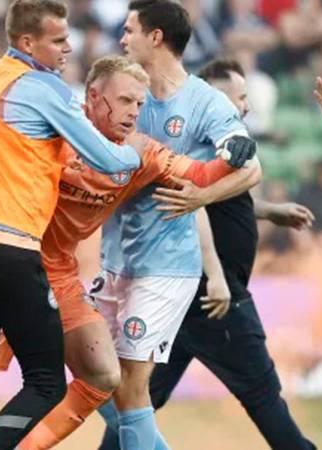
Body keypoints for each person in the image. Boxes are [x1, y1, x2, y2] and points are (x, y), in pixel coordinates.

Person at [0, 55, 257, 450]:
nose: (134, 111)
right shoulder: (53, 121)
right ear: (93, 97)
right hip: (8, 261)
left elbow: (200, 174)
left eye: (140, 103)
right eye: (125, 100)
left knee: (104, 373)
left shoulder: (143, 152)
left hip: (56, 273)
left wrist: (230, 155)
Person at [0, 1, 149, 448]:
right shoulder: (48, 89)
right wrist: (138, 153)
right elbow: (109, 159)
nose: (69, 47)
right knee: (44, 384)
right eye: (59, 40)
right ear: (28, 42)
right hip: (11, 246)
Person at [97, 58, 317, 450]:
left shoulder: (214, 145)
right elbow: (194, 204)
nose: (245, 106)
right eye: (239, 97)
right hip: (215, 299)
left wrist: (266, 210)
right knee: (264, 396)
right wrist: (215, 276)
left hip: (182, 294)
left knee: (134, 399)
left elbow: (219, 198)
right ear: (215, 100)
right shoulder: (199, 141)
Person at [92, 2, 262, 449]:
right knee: (93, 374)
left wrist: (202, 196)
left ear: (156, 37)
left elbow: (249, 165)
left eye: (130, 30)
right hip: (116, 257)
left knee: (131, 384)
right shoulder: (126, 91)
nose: (122, 38)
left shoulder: (204, 101)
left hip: (167, 266)